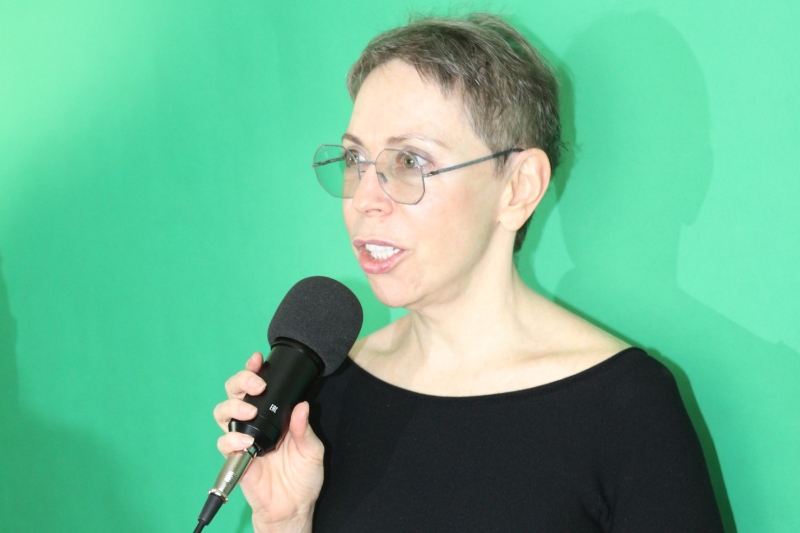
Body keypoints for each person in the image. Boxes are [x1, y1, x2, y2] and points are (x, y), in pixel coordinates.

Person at [213, 13, 724, 533]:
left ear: (519, 187)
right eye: (354, 159)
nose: (365, 199)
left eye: (410, 162)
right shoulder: (324, 393)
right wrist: (286, 521)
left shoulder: (626, 407)